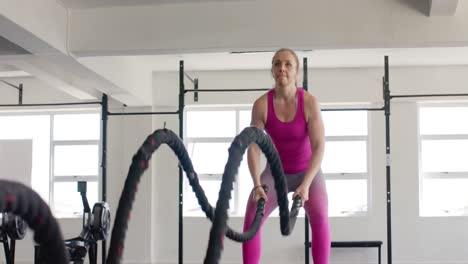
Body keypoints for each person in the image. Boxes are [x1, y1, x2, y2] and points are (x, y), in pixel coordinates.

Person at [243, 48, 330, 264]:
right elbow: (253, 146)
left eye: (288, 64)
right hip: (275, 174)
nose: (282, 68)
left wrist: (307, 184)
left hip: (308, 173)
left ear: (296, 71)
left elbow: (319, 146)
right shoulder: (262, 105)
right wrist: (256, 185)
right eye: (277, 64)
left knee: (319, 217)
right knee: (252, 215)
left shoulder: (309, 103)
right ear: (272, 71)